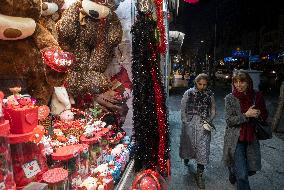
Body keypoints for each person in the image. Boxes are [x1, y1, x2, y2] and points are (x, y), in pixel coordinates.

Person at [223, 70, 268, 190]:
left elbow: (264, 114)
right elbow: (229, 120)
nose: (238, 85)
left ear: (248, 82)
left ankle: (233, 170)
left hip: (251, 138)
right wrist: (246, 115)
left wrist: (258, 113)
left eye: (242, 81)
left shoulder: (257, 96)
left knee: (251, 170)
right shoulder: (230, 98)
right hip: (235, 139)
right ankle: (235, 171)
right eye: (236, 82)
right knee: (242, 175)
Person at [179, 73, 216, 189]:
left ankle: (200, 174)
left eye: (205, 84)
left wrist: (209, 120)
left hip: (203, 126)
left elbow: (213, 109)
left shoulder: (209, 94)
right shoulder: (188, 93)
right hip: (190, 125)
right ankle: (186, 157)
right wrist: (186, 122)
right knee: (188, 146)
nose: (202, 87)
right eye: (200, 84)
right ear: (196, 83)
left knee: (203, 150)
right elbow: (183, 108)